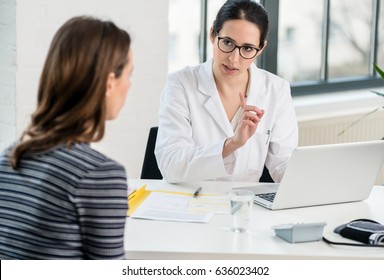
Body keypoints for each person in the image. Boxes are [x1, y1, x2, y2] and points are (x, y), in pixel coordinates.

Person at [0, 16, 133, 259]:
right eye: (128, 75)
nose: (130, 85)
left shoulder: (9, 157)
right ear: (109, 83)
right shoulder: (100, 174)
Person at [155, 0, 298, 183]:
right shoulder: (181, 84)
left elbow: (283, 163)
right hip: (191, 202)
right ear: (213, 35)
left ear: (260, 48)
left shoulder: (276, 90)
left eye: (247, 48)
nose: (233, 59)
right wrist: (232, 144)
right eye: (228, 42)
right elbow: (171, 165)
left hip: (245, 203)